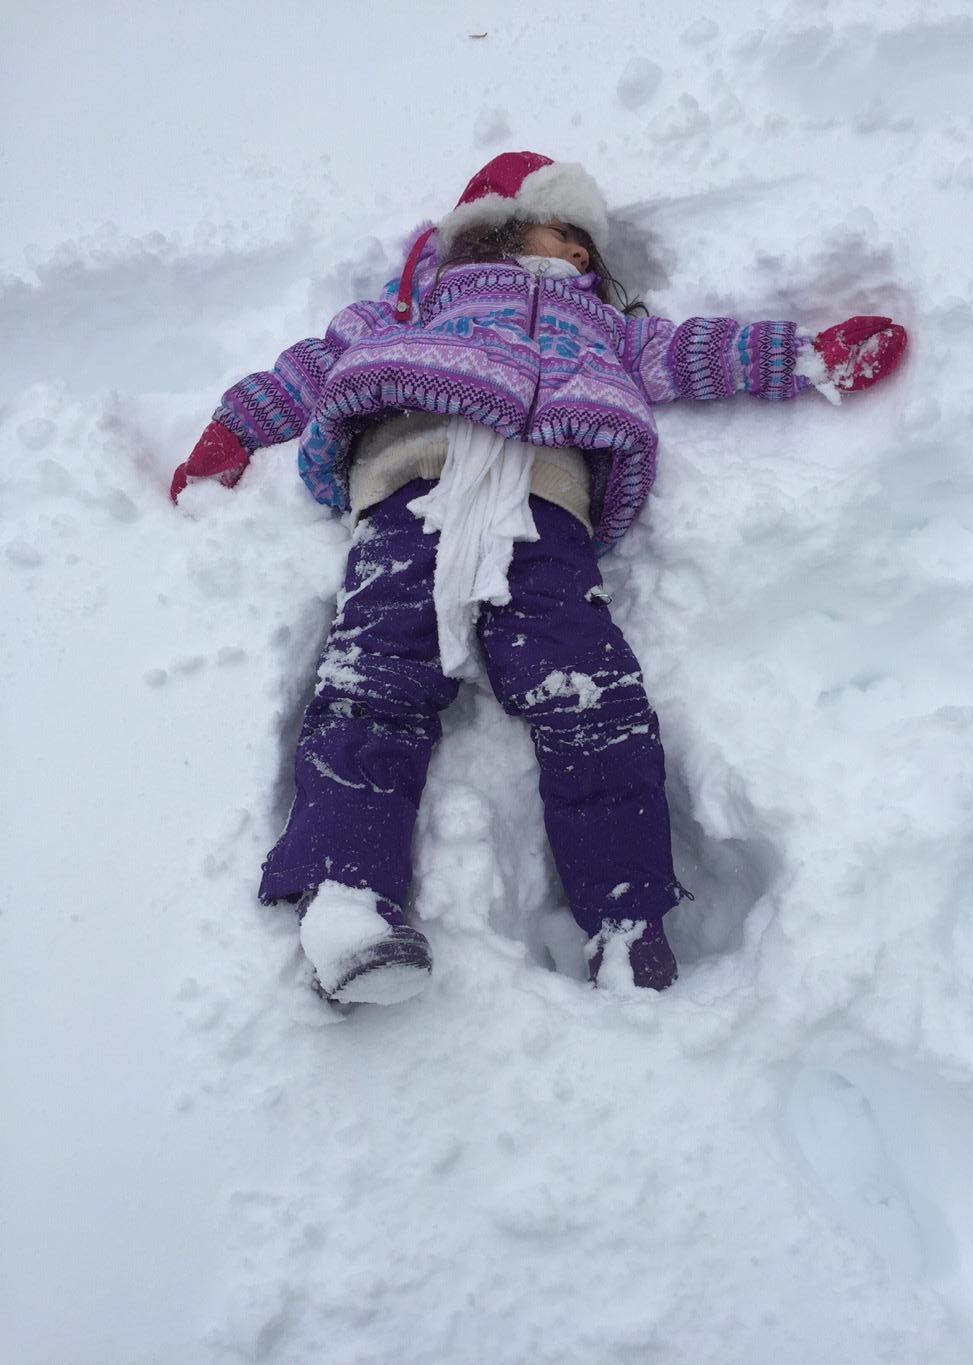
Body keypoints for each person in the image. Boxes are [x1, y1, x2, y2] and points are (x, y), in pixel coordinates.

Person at [172, 151, 907, 1005]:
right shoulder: (416, 303)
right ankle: (348, 901)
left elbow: (700, 352)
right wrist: (234, 428)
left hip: (541, 508)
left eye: (591, 246)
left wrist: (807, 356)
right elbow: (307, 367)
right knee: (376, 672)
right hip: (417, 482)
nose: (585, 255)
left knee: (590, 692)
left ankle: (627, 924)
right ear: (504, 224)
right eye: (569, 232)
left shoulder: (609, 325)